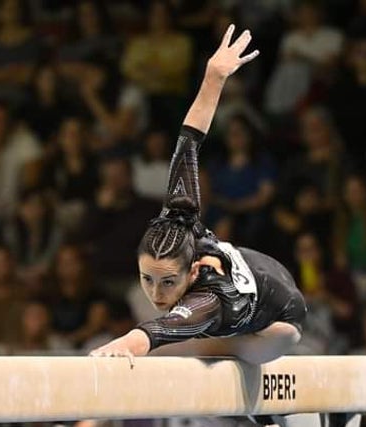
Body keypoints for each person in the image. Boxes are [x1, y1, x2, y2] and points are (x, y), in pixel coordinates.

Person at [90, 25, 307, 365]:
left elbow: (157, 330)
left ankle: (240, 372)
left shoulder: (207, 298)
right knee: (186, 345)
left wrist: (123, 347)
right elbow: (189, 141)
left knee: (187, 347)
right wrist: (213, 77)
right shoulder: (178, 219)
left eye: (167, 281)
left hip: (281, 323)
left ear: (192, 273)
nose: (156, 293)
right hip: (250, 269)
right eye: (147, 278)